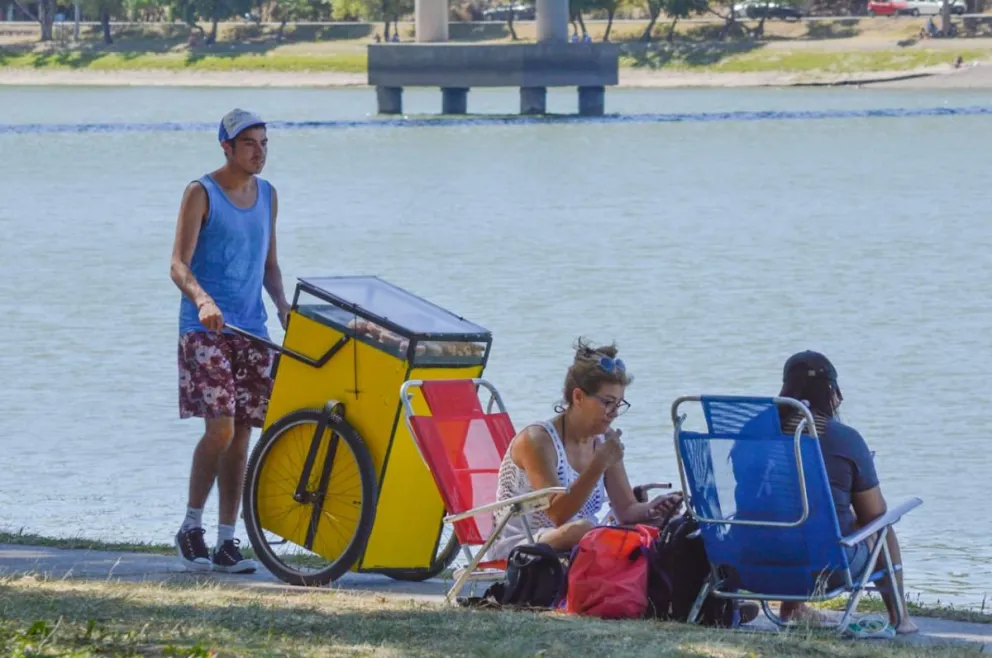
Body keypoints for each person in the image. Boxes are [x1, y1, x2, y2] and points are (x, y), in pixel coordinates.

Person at [169, 108, 291, 573]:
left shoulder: (268, 196)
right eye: (249, 144)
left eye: (264, 143)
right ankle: (190, 528)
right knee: (219, 429)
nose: (259, 152)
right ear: (226, 147)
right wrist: (202, 300)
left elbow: (270, 265)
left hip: (251, 330)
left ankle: (225, 541)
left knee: (241, 434)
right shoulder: (201, 192)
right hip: (205, 327)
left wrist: (280, 304)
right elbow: (178, 264)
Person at [488, 339, 683, 561]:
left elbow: (626, 509)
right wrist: (598, 465)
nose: (614, 413)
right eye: (607, 402)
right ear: (578, 397)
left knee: (669, 527)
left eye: (619, 404)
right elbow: (558, 514)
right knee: (581, 529)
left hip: (585, 536)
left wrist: (652, 509)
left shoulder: (604, 440)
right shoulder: (538, 440)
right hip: (523, 543)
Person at [773, 351, 918, 634]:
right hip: (826, 570)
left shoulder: (752, 433)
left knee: (784, 515)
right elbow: (874, 514)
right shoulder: (844, 438)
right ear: (832, 392)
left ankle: (792, 607)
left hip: (750, 562)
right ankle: (900, 618)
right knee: (880, 526)